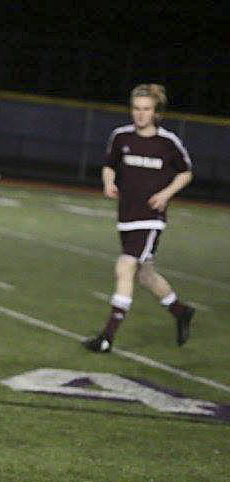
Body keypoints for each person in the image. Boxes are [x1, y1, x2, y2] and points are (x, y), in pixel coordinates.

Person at [84, 83, 194, 353]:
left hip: (151, 219)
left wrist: (166, 194)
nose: (140, 114)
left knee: (125, 267)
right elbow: (109, 165)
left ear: (156, 112)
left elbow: (186, 172)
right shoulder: (121, 137)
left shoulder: (168, 142)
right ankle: (181, 311)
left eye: (146, 109)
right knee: (146, 276)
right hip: (127, 217)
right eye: (136, 108)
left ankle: (107, 338)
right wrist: (108, 182)